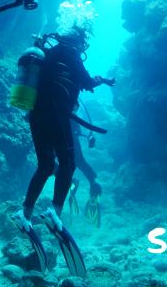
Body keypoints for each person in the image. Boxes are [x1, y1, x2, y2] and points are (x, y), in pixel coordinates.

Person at [11, 26, 114, 233]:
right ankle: (54, 212)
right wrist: (102, 80)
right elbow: (86, 82)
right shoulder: (70, 53)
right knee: (68, 163)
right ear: (77, 42)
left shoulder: (47, 54)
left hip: (35, 113)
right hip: (56, 113)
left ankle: (25, 212)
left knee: (46, 165)